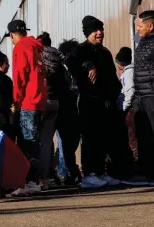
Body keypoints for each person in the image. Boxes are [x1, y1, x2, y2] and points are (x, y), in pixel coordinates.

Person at [67, 16, 124, 188]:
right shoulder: (80, 51)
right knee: (90, 138)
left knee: (103, 138)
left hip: (105, 102)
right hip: (88, 102)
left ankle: (100, 171)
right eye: (94, 30)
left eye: (101, 29)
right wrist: (87, 65)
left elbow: (113, 79)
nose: (99, 33)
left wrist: (112, 96)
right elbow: (71, 62)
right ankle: (89, 174)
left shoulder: (105, 52)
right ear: (87, 33)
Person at [8, 20, 47, 196]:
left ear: (12, 35)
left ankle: (31, 182)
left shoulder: (20, 47)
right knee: (35, 143)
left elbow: (19, 76)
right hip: (40, 100)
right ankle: (36, 180)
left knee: (28, 143)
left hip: (28, 101)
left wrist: (16, 100)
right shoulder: (36, 47)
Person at [36, 32, 68, 189]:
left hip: (40, 100)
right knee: (49, 140)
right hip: (55, 101)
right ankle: (47, 178)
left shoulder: (38, 55)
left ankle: (41, 177)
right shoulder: (59, 56)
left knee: (37, 141)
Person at [56, 39, 82, 185]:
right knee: (66, 144)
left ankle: (69, 171)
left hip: (71, 111)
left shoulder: (73, 70)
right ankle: (67, 172)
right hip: (66, 111)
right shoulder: (62, 70)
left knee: (68, 144)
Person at [133, 10, 154, 182]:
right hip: (141, 95)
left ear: (151, 25)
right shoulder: (142, 41)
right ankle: (146, 171)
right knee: (143, 134)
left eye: (140, 26)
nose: (138, 30)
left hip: (151, 94)